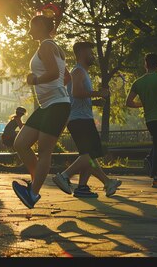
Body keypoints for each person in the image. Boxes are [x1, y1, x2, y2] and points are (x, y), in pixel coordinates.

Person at [11, 4, 72, 209]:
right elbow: (66, 77)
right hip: (48, 105)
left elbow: (55, 74)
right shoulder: (53, 47)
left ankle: (33, 193)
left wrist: (36, 80)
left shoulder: (46, 45)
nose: (29, 31)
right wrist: (51, 90)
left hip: (57, 106)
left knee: (44, 151)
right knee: (20, 144)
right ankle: (35, 181)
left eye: (31, 27)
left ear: (41, 27)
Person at [51, 42, 122, 198]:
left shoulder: (81, 72)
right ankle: (64, 176)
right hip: (79, 119)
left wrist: (94, 101)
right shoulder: (78, 71)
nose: (93, 56)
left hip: (81, 118)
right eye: (91, 53)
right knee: (88, 156)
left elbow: (77, 96)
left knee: (90, 156)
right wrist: (98, 93)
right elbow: (76, 92)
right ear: (82, 53)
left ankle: (84, 187)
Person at [125, 53, 157, 188]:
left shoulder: (138, 82)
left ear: (145, 65)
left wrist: (142, 104)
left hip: (149, 119)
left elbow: (129, 102)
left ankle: (149, 160)